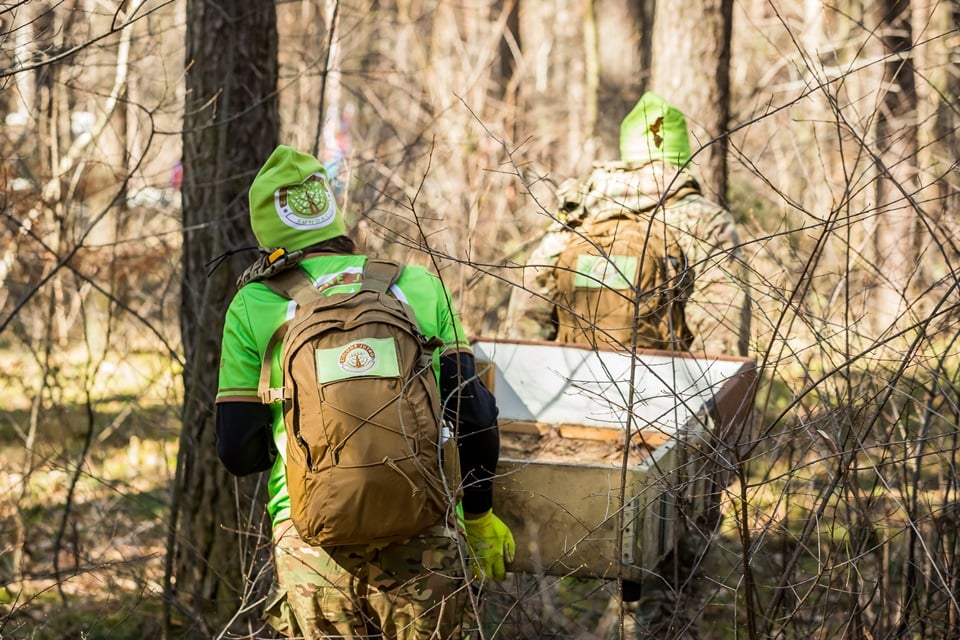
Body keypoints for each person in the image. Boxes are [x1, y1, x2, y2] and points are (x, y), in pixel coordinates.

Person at [215, 145, 515, 639]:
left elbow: (237, 451)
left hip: (311, 546)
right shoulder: (414, 285)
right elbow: (474, 411)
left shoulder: (254, 303)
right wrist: (479, 516)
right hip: (422, 537)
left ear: (266, 232)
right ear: (332, 212)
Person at [506, 91, 750, 358]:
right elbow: (723, 323)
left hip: (569, 381)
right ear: (682, 154)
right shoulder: (704, 219)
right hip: (665, 388)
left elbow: (529, 307)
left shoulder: (580, 211)